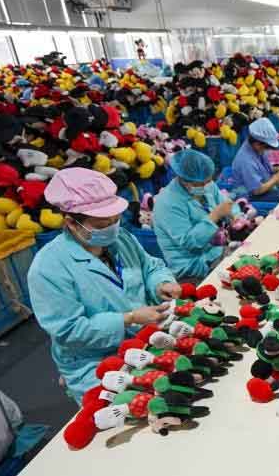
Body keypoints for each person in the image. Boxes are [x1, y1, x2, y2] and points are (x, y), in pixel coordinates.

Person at [28, 168, 180, 404]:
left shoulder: (120, 239)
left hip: (145, 337)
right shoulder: (48, 268)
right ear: (71, 222)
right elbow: (69, 330)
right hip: (96, 362)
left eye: (115, 219)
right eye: (102, 224)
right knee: (133, 409)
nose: (112, 227)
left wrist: (161, 283)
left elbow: (149, 266)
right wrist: (128, 319)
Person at [152, 149, 236, 281]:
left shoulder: (206, 185)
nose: (206, 186)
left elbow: (226, 204)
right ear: (183, 179)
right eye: (200, 183)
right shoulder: (168, 203)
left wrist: (237, 217)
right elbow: (190, 243)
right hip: (193, 266)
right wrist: (214, 216)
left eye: (208, 181)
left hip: (217, 250)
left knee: (254, 254)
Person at [231, 117, 279, 201]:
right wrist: (277, 177)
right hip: (250, 196)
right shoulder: (245, 160)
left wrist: (278, 169)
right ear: (257, 144)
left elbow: (261, 169)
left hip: (262, 187)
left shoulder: (256, 148)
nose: (266, 150)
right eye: (266, 147)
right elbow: (256, 190)